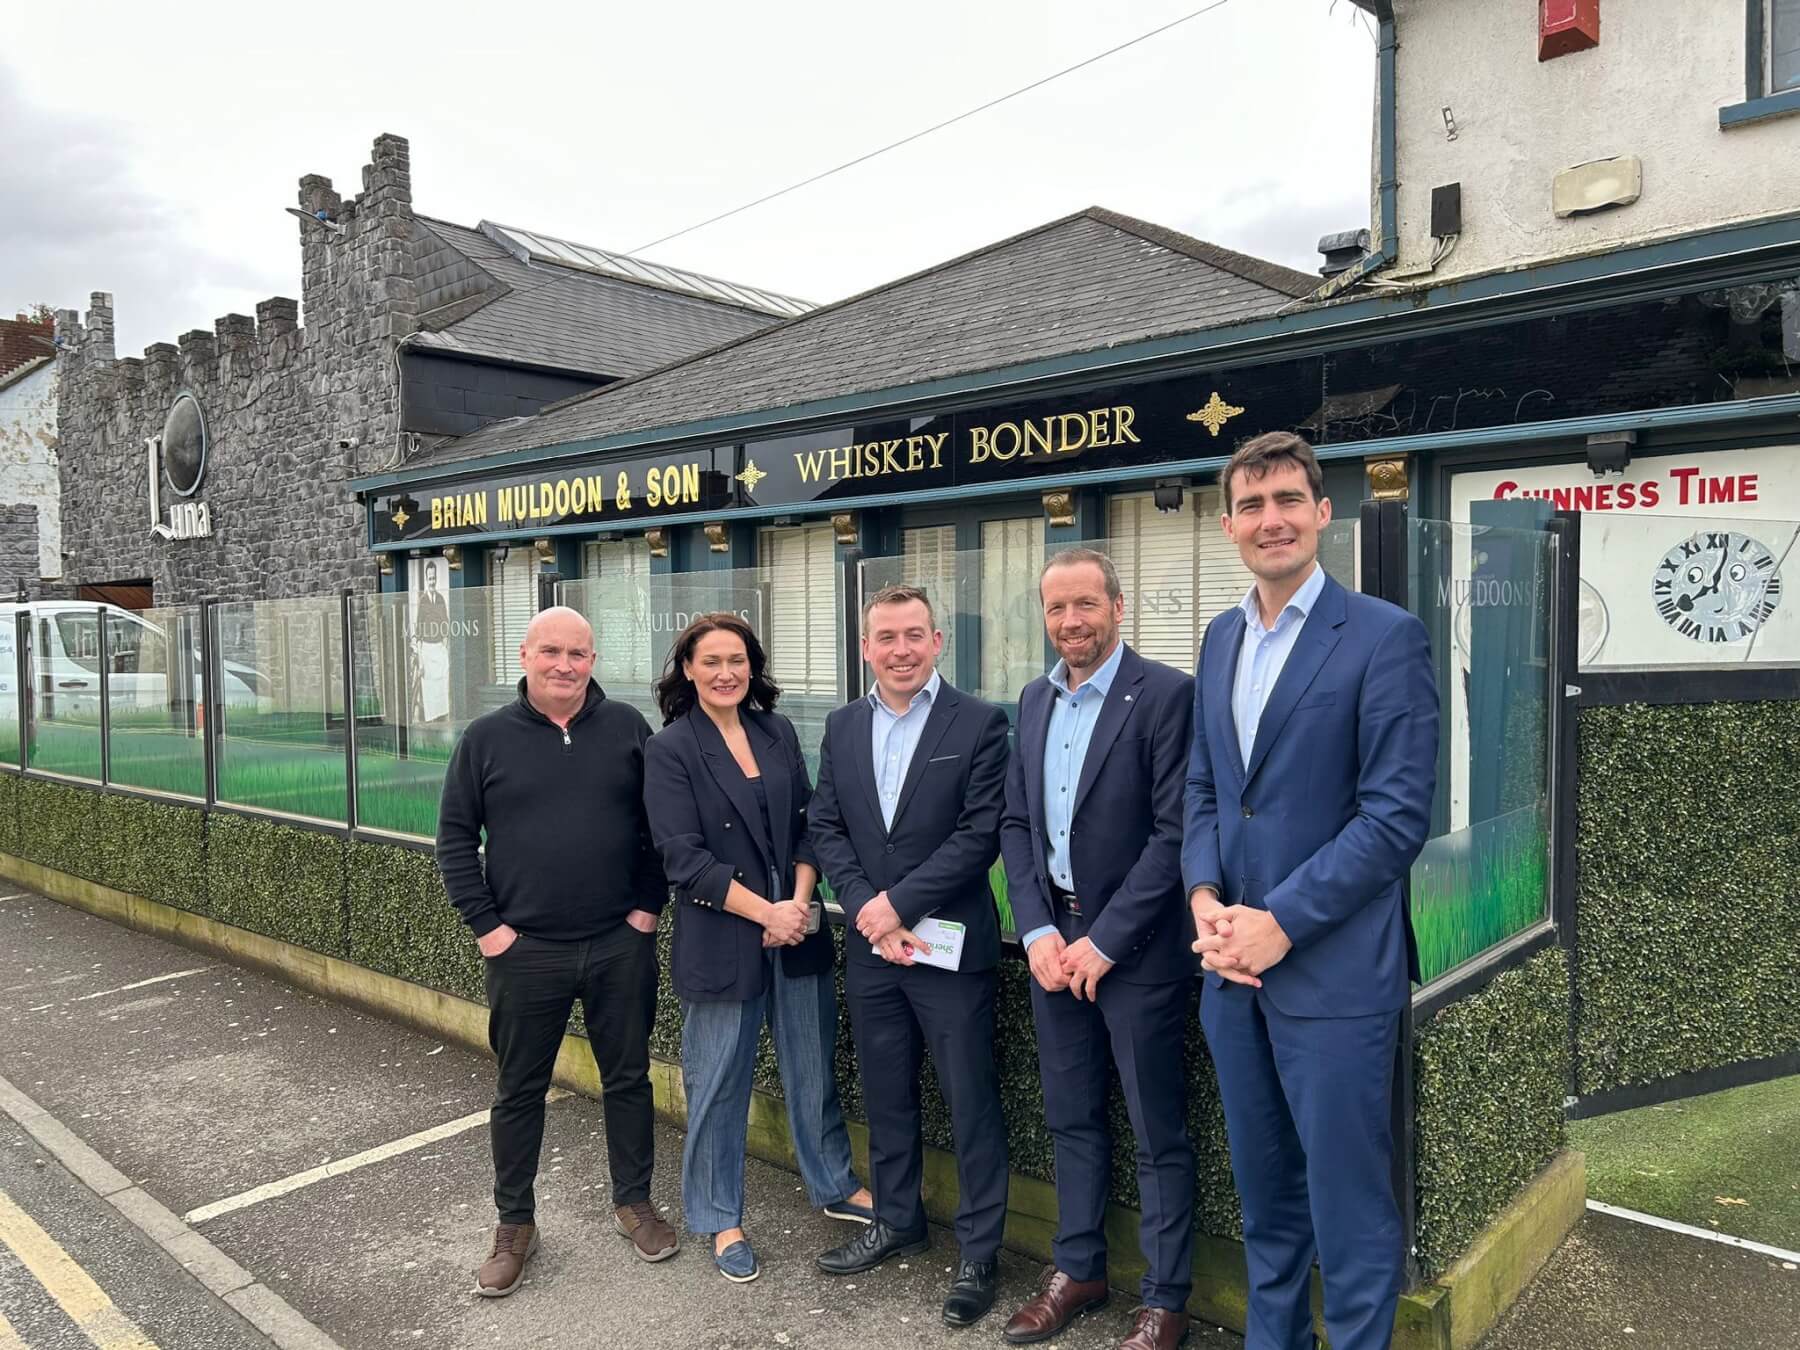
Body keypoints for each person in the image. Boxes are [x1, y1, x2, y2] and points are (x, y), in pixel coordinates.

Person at [1185, 432, 1438, 1350]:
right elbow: (1207, 787)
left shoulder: (1384, 637)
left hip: (1332, 978)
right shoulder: (1218, 638)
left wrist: (1281, 922)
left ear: (1324, 512)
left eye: (1288, 499)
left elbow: (1395, 817)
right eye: (1252, 506)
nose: (1272, 519)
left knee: (1350, 1209)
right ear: (1229, 525)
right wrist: (1203, 894)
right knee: (1265, 1198)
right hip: (1230, 975)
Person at [436, 605, 677, 1299]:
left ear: (593, 659)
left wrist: (644, 909)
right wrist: (489, 928)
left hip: (616, 946)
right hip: (525, 951)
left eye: (578, 653)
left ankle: (634, 1203)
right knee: (519, 1091)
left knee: (628, 1080)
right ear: (524, 655)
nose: (564, 665)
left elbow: (660, 826)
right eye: (551, 652)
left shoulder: (628, 730)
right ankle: (514, 1225)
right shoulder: (485, 739)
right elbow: (454, 839)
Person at [998, 548, 1196, 1350]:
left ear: (1119, 606)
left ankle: (1165, 1299)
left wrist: (1107, 941)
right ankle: (1078, 1269)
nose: (1071, 622)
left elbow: (1178, 833)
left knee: (1157, 1131)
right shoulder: (1033, 699)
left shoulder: (1167, 696)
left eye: (1086, 604)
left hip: (1137, 952)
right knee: (1071, 1119)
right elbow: (1018, 826)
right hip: (1054, 945)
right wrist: (1041, 931)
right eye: (1057, 609)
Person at [641, 612, 874, 1284]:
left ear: (753, 667)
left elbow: (812, 823)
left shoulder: (776, 732)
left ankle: (833, 1184)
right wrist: (766, 911)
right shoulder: (672, 750)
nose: (725, 673)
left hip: (795, 932)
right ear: (687, 668)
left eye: (737, 660)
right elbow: (683, 860)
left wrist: (798, 904)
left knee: (813, 1071)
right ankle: (720, 1217)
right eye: (710, 661)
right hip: (723, 940)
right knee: (717, 1086)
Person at [807, 584, 1012, 1327]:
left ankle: (981, 1251)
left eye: (914, 635)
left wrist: (900, 905)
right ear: (866, 647)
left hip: (951, 951)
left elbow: (980, 831)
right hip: (873, 950)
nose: (900, 649)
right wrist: (868, 906)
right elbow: (826, 825)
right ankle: (898, 1221)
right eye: (886, 637)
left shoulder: (981, 723)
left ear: (938, 641)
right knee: (887, 1094)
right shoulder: (841, 725)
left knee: (970, 1102)